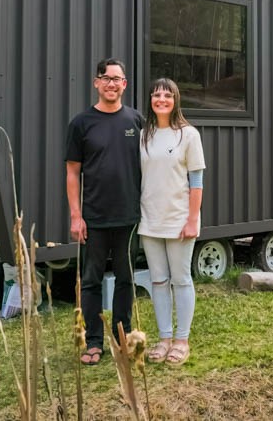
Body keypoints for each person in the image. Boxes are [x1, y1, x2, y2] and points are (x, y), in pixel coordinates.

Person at [65, 58, 143, 366]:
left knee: (125, 278)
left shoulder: (136, 121)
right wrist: (75, 215)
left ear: (125, 85)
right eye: (106, 78)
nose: (112, 84)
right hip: (94, 218)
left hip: (129, 218)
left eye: (118, 79)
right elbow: (72, 172)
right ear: (97, 83)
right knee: (91, 281)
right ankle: (94, 342)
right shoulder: (81, 123)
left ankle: (121, 336)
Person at [139, 77, 205, 366]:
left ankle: (181, 340)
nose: (161, 99)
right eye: (156, 95)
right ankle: (164, 338)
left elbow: (197, 182)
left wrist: (192, 220)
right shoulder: (145, 134)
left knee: (180, 280)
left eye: (167, 95)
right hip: (149, 220)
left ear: (175, 99)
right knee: (158, 281)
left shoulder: (188, 135)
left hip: (179, 220)